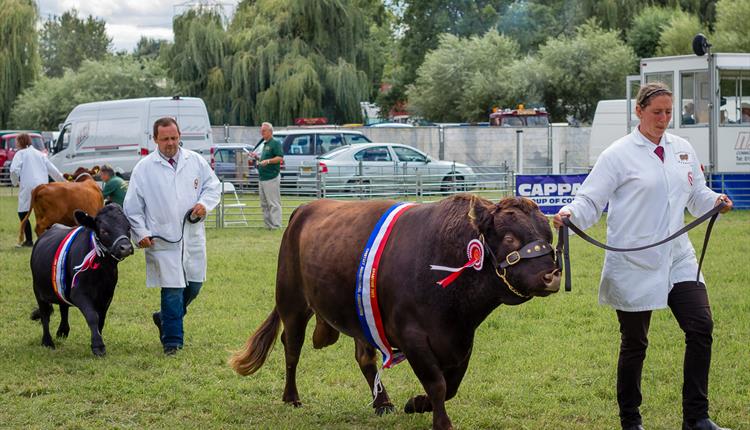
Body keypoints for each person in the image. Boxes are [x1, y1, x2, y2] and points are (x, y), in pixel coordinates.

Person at [553, 82, 733, 430]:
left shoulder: (682, 149)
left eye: (669, 112)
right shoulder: (617, 154)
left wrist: (716, 202)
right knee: (635, 343)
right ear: (639, 112)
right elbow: (590, 200)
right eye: (657, 112)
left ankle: (696, 418)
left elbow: (696, 194)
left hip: (678, 257)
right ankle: (631, 421)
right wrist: (570, 214)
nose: (664, 119)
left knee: (701, 327)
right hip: (633, 261)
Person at [123, 117, 220, 355]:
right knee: (172, 290)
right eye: (165, 139)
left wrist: (203, 204)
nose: (170, 143)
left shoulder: (194, 161)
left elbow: (212, 186)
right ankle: (173, 342)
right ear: (155, 139)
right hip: (162, 240)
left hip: (192, 236)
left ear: (180, 136)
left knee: (194, 286)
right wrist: (142, 233)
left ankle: (164, 318)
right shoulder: (144, 168)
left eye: (174, 138)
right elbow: (132, 207)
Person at [9, 133, 65, 247]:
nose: (16, 144)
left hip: (28, 187)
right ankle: (51, 239)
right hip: (43, 188)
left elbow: (14, 170)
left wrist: (15, 182)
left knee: (23, 213)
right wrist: (64, 181)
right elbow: (53, 170)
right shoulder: (40, 154)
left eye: (17, 142)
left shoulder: (20, 153)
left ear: (21, 142)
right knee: (45, 214)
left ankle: (29, 240)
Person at [252, 122, 283, 229]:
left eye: (264, 131)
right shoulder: (265, 144)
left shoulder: (275, 143)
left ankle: (276, 225)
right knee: (264, 203)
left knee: (273, 203)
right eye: (261, 131)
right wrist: (257, 158)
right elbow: (263, 160)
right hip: (263, 177)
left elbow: (280, 158)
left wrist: (268, 161)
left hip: (271, 177)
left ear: (270, 131)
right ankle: (268, 225)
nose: (262, 133)